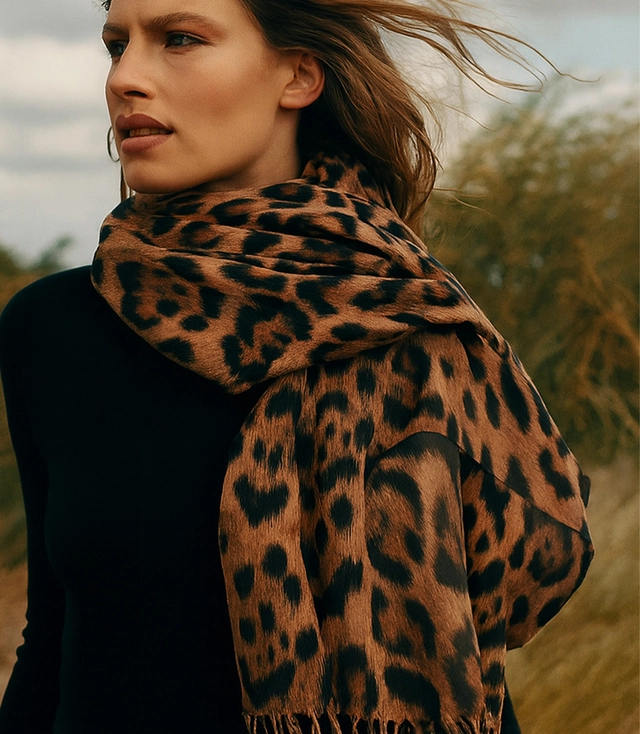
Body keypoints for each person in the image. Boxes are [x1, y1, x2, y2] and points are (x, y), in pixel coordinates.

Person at [0, 0, 593, 732]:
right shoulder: (52, 328)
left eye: (179, 39)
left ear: (299, 76)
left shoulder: (415, 328)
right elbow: (54, 635)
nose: (125, 78)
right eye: (117, 45)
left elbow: (480, 632)